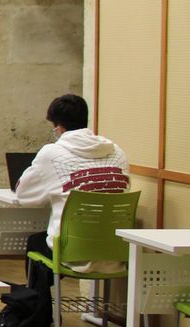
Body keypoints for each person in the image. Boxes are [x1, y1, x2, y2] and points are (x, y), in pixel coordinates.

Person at [14, 93, 130, 291]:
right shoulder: (117, 152)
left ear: (58, 126)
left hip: (72, 253)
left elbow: (24, 196)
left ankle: (39, 313)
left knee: (36, 243)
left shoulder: (52, 153)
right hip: (116, 252)